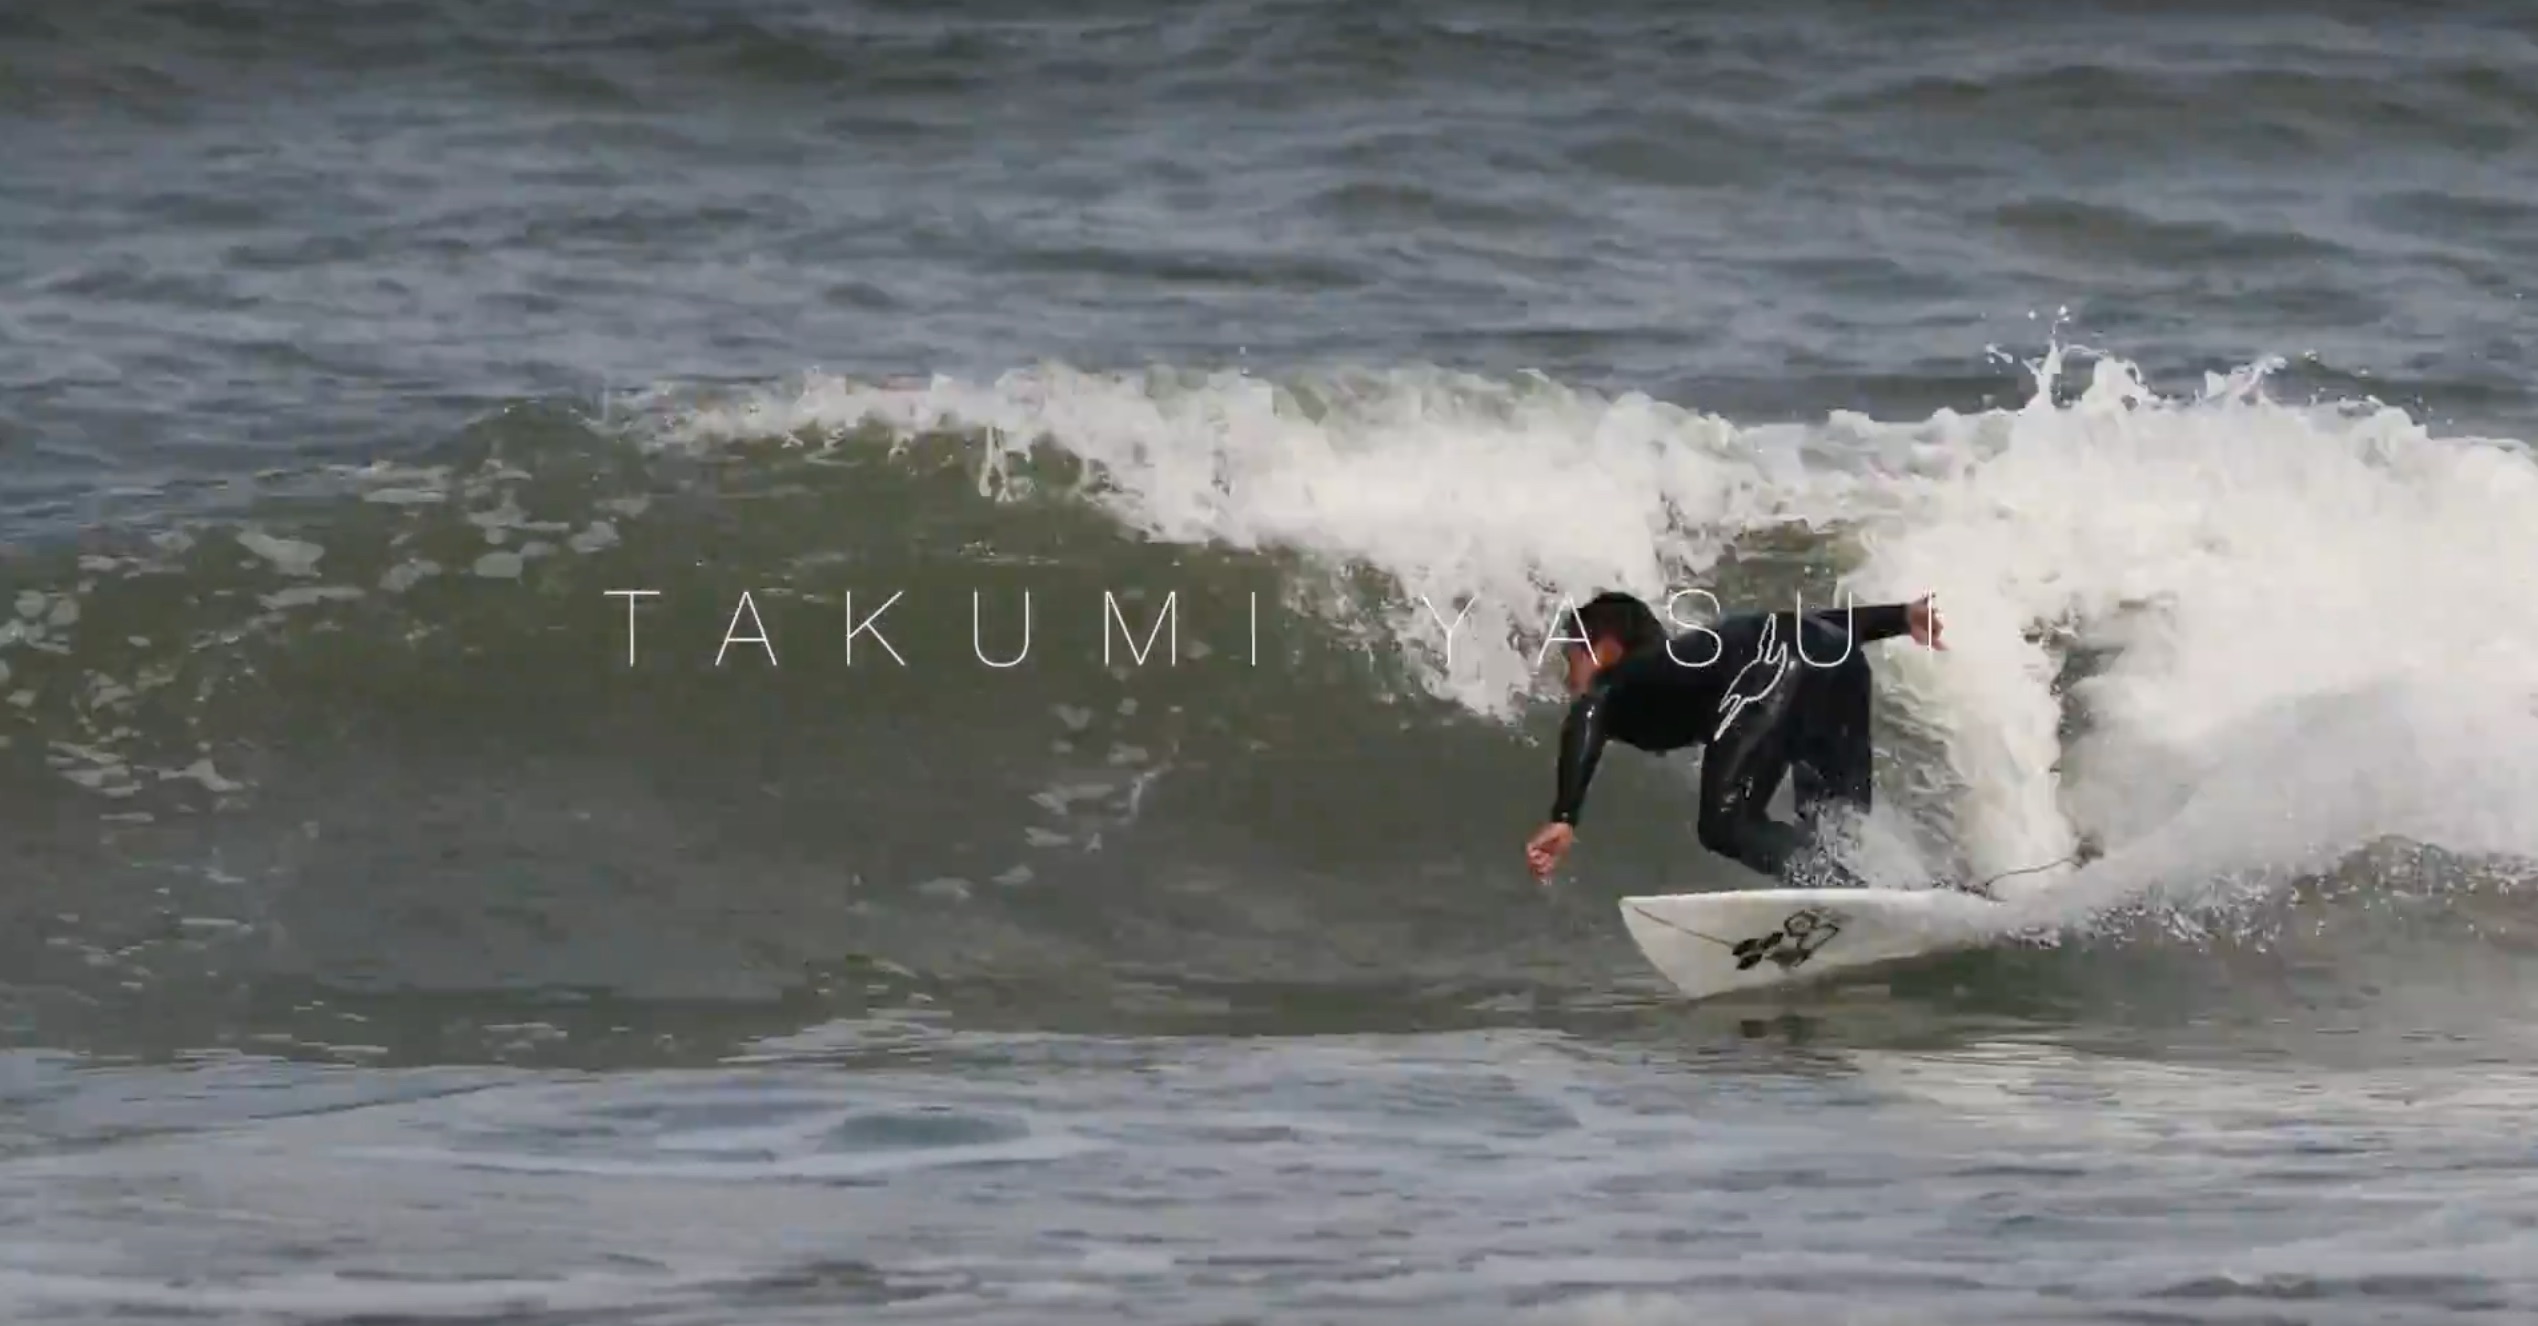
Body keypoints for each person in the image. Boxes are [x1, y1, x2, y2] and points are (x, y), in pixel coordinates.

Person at [1523, 590, 1943, 888]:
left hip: (1778, 664)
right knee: (1836, 825)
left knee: (1725, 823)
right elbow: (1807, 630)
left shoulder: (1618, 680)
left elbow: (1590, 710)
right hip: (1838, 657)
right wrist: (1899, 618)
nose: (1567, 678)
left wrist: (1564, 815)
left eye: (1569, 657)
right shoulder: (1691, 658)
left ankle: (1848, 892)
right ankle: (1910, 890)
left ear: (1601, 648)